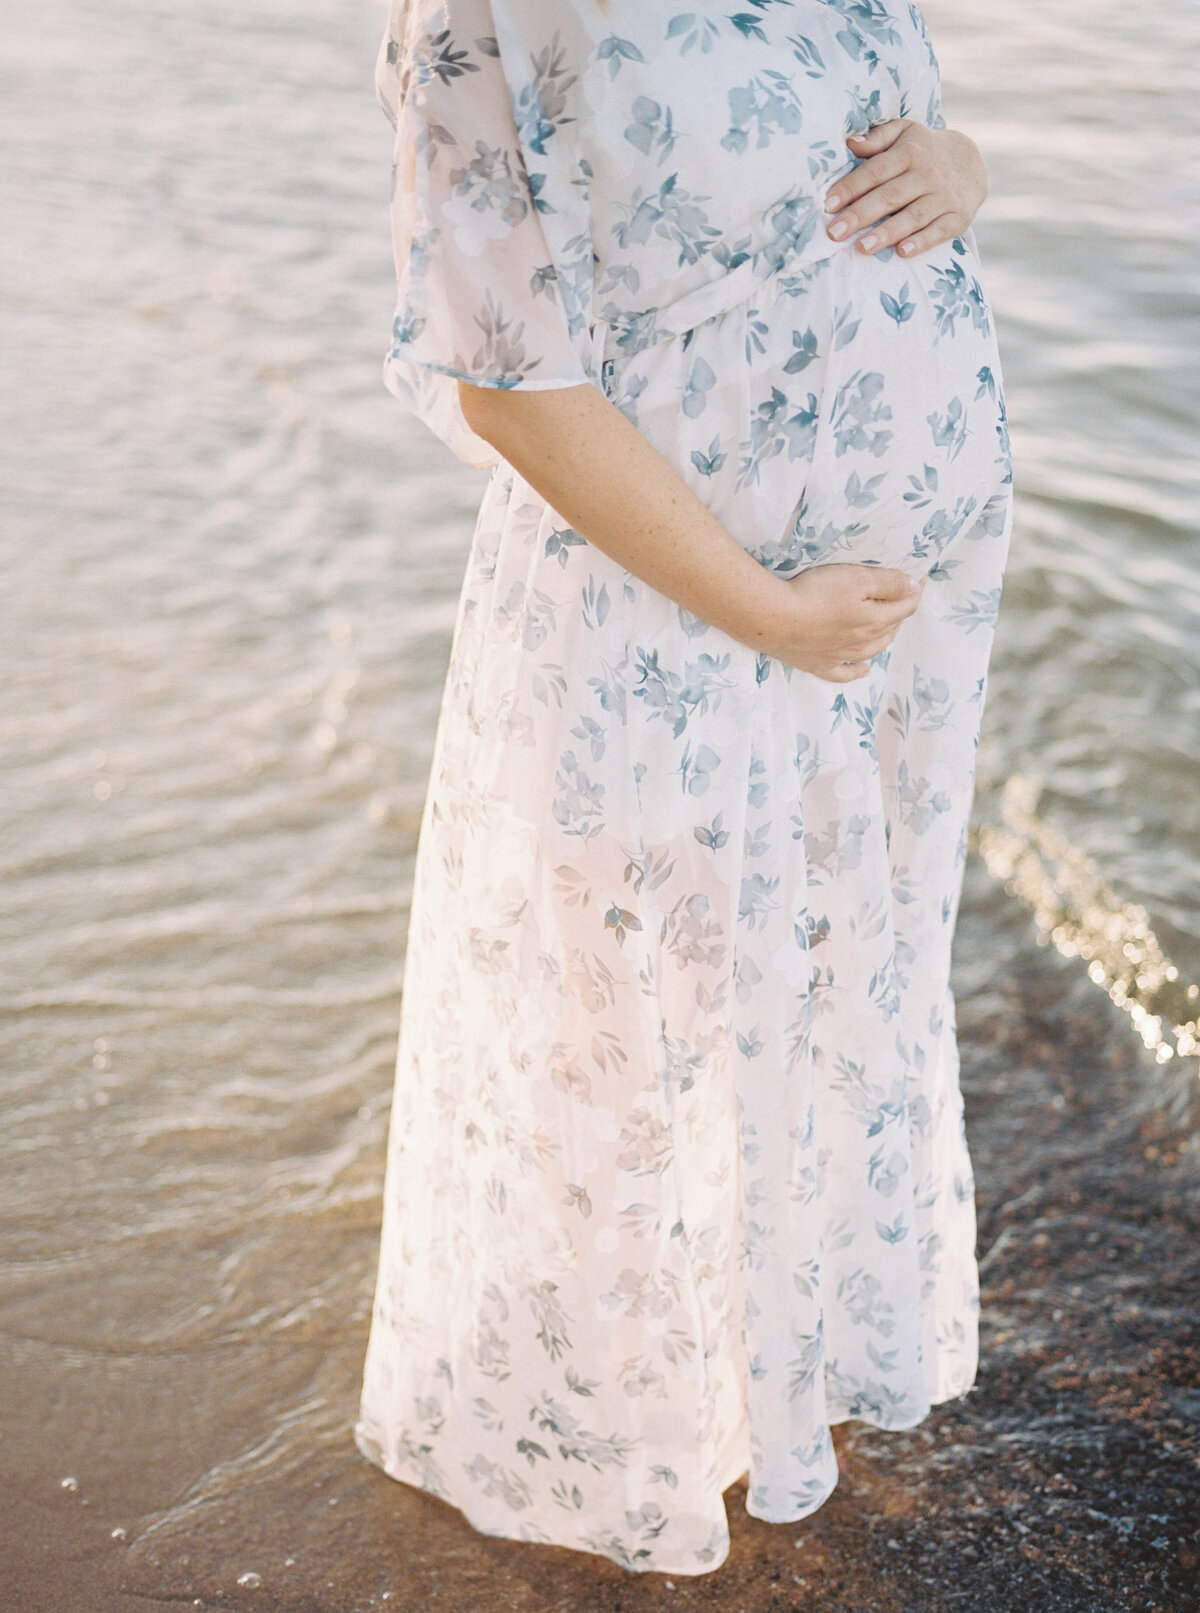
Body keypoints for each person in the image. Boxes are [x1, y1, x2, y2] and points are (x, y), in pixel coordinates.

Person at [355, 0, 1012, 1576]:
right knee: (636, 1033)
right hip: (660, 613)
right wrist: (770, 610)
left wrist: (959, 169)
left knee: (822, 983)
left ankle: (781, 1363)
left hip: (869, 652)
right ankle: (627, 1436)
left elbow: (874, 135)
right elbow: (512, 377)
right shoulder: (481, 17)